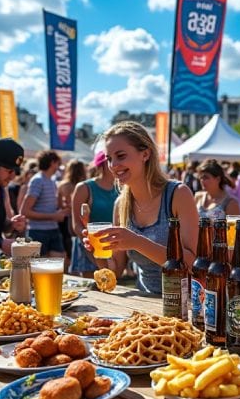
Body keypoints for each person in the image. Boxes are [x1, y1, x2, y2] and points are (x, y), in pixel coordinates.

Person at [84, 121, 199, 294]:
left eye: (121, 156)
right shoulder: (121, 204)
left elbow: (193, 264)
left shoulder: (178, 194)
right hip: (143, 302)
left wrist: (137, 242)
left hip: (183, 302)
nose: (113, 165)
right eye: (109, 159)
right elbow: (115, 271)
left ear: (145, 154)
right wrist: (98, 250)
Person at [70, 151, 118, 278]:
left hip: (112, 247)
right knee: (93, 286)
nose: (116, 164)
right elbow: (76, 225)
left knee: (111, 284)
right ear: (102, 164)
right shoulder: (84, 188)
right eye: (110, 160)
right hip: (89, 246)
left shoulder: (121, 188)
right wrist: (91, 244)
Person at [20, 150, 68, 257]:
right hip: (38, 232)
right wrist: (54, 216)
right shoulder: (38, 180)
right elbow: (25, 211)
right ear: (52, 163)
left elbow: (48, 206)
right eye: (58, 163)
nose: (59, 167)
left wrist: (63, 209)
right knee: (40, 266)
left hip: (53, 230)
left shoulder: (51, 180)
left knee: (59, 261)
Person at [58, 159, 86, 263]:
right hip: (79, 218)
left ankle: (69, 265)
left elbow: (59, 204)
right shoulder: (84, 186)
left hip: (65, 217)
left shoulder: (63, 185)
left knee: (65, 245)